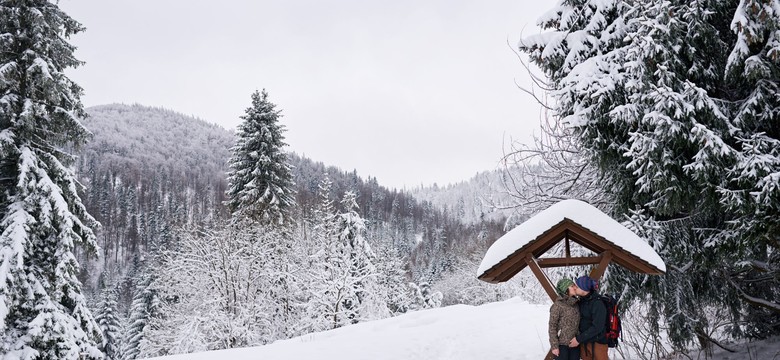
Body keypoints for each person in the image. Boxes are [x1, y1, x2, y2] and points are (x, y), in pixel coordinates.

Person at [569, 275, 608, 360]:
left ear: (584, 289)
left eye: (577, 286)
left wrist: (579, 339)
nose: (574, 288)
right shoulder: (581, 301)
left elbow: (597, 327)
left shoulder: (597, 304)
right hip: (584, 342)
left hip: (597, 344)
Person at [548, 278, 580, 360]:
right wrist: (554, 346)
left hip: (574, 344)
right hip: (561, 345)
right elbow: (552, 326)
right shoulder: (558, 305)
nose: (575, 287)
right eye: (572, 286)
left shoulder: (576, 304)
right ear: (565, 289)